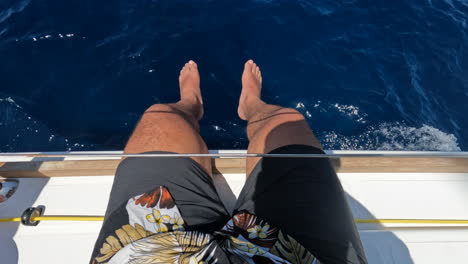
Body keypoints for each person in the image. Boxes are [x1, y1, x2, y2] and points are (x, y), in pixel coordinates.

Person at [90, 60, 367, 264]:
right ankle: (251, 105)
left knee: (161, 117)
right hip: (300, 258)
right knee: (286, 122)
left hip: (153, 253)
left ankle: (191, 103)